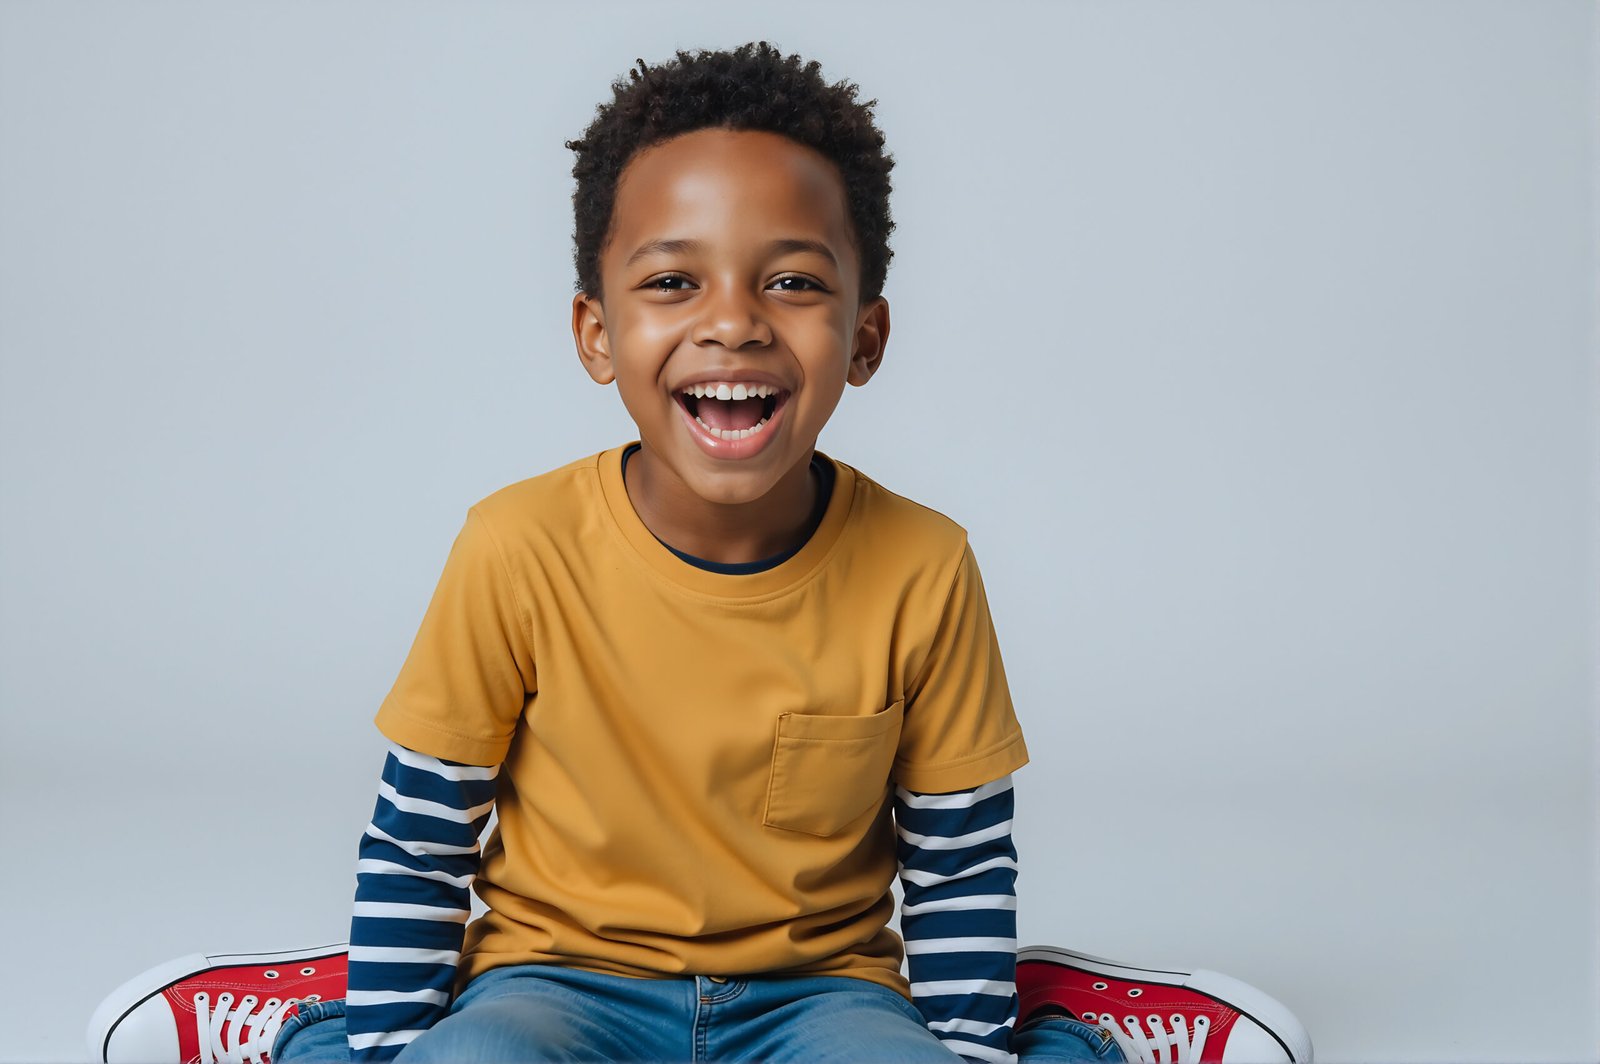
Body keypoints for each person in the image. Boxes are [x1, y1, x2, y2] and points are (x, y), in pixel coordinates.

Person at [86, 42, 1312, 1064]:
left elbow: (956, 852)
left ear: (864, 335)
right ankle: (318, 1019)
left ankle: (1067, 1028)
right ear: (597, 332)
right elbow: (422, 829)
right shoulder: (516, 546)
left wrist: (962, 1049)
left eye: (791, 280)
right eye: (672, 280)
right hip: (553, 986)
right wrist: (394, 1044)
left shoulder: (923, 565)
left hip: (823, 997)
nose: (732, 320)